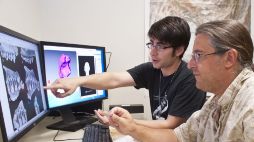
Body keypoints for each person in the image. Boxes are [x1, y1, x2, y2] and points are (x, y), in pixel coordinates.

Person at [106, 19, 254, 142]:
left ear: (229, 58)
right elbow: (176, 139)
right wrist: (131, 128)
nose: (190, 65)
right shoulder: (215, 103)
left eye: (198, 55)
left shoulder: (250, 104)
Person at [45, 16, 206, 130]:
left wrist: (121, 122)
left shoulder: (190, 79)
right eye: (151, 44)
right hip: (158, 136)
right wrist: (77, 81)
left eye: (160, 46)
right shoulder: (152, 69)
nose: (153, 52)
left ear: (179, 50)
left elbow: (170, 124)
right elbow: (114, 79)